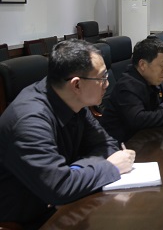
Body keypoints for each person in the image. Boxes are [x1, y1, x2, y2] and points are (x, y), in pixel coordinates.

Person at [0, 39, 135, 228]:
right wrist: (110, 167)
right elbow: (60, 187)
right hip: (30, 220)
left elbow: (106, 145)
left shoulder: (73, 101)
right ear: (76, 85)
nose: (107, 83)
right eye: (102, 77)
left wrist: (76, 169)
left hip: (66, 205)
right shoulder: (29, 121)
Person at [99, 37, 163, 143]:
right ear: (142, 65)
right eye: (162, 65)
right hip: (123, 144)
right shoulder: (127, 86)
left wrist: (159, 111)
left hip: (146, 137)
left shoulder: (155, 79)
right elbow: (138, 119)